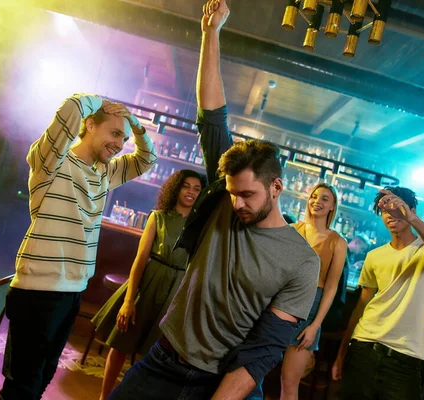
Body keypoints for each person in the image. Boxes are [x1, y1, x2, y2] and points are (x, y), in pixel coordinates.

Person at [108, 0, 320, 399]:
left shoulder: (303, 262)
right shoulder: (225, 200)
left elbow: (263, 351)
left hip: (222, 382)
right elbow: (212, 116)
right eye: (232, 192)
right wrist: (211, 33)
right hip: (163, 359)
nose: (237, 202)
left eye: (248, 195)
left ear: (276, 188)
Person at [0, 95, 157, 400]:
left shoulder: (104, 172)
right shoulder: (52, 161)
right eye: (114, 133)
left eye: (123, 138)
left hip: (71, 291)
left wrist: (135, 124)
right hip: (37, 290)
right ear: (89, 125)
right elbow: (71, 107)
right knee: (22, 385)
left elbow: (146, 160)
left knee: (42, 378)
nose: (120, 143)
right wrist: (102, 102)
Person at [92, 169, 207, 400]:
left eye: (197, 189)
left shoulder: (202, 225)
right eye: (186, 186)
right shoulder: (158, 216)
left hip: (178, 290)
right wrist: (128, 301)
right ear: (176, 188)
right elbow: (140, 259)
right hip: (149, 283)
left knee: (155, 352)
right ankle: (104, 397)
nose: (191, 192)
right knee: (121, 343)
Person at [332, 186, 424, 400]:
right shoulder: (375, 256)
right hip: (363, 349)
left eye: (396, 209)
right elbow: (362, 306)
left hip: (404, 358)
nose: (391, 215)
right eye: (386, 211)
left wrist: (410, 217)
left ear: (411, 210)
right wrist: (341, 354)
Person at [280, 183, 347, 400]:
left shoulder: (338, 242)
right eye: (314, 196)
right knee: (255, 373)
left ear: (332, 206)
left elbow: (331, 287)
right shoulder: (293, 230)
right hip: (280, 303)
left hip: (310, 311)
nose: (317, 201)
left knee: (289, 384)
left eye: (325, 199)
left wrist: (315, 325)